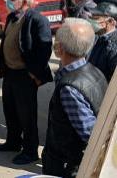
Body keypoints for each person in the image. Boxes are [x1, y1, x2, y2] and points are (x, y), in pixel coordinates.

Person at [0, 0, 53, 165]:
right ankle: (13, 142)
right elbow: (5, 41)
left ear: (25, 1)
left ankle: (30, 151)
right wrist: (0, 64)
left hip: (25, 75)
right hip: (10, 72)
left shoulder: (37, 20)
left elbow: (45, 49)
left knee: (27, 116)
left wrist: (34, 73)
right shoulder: (12, 17)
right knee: (10, 110)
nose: (8, 2)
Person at [42, 18, 108, 177]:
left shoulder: (70, 89)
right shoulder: (94, 70)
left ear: (60, 48)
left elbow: (90, 133)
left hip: (66, 166)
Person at [88, 2, 117, 82]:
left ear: (111, 22)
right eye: (92, 17)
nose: (92, 21)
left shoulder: (113, 46)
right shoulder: (97, 37)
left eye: (96, 18)